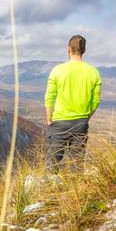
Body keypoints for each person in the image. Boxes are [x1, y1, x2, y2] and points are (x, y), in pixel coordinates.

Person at [44, 35, 102, 172]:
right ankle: (77, 190)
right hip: (81, 122)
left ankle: (50, 190)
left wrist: (49, 118)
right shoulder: (94, 72)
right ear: (84, 50)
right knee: (77, 162)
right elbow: (96, 101)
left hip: (59, 122)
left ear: (68, 50)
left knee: (52, 163)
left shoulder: (57, 70)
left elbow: (49, 96)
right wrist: (87, 117)